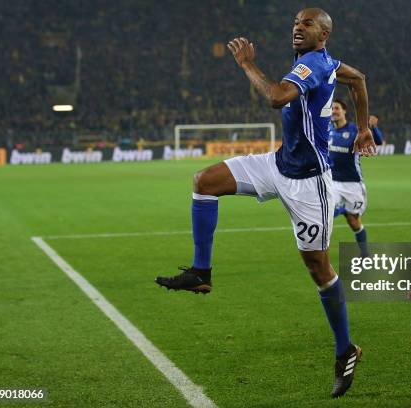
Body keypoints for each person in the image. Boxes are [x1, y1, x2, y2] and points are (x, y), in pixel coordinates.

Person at [155, 8, 376, 398]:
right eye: (295, 22)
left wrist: (247, 64)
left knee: (318, 268)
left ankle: (345, 349)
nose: (297, 27)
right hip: (277, 164)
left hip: (311, 185)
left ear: (322, 34)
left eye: (306, 24)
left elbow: (276, 97)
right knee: (204, 182)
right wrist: (362, 129)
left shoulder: (311, 63)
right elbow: (357, 78)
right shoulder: (325, 63)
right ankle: (201, 271)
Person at [328, 98, 383, 257]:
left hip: (353, 184)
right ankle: (340, 208)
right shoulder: (329, 130)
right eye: (332, 109)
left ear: (344, 111)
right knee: (326, 211)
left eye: (337, 108)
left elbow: (377, 141)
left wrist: (373, 127)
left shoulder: (355, 130)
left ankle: (365, 253)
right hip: (333, 182)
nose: (333, 111)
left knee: (353, 221)